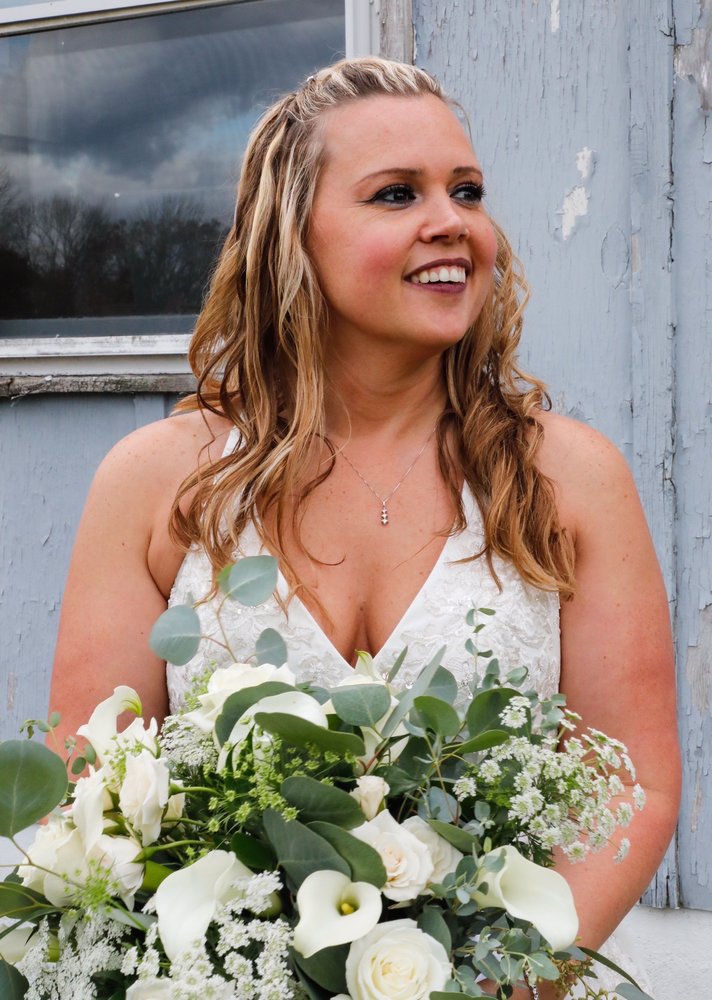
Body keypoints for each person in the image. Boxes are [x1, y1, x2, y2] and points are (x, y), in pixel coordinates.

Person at [50, 58, 680, 998]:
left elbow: (629, 785)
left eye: (467, 191)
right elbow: (90, 784)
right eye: (397, 194)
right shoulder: (159, 482)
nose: (452, 222)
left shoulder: (570, 478)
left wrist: (499, 985)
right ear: (289, 235)